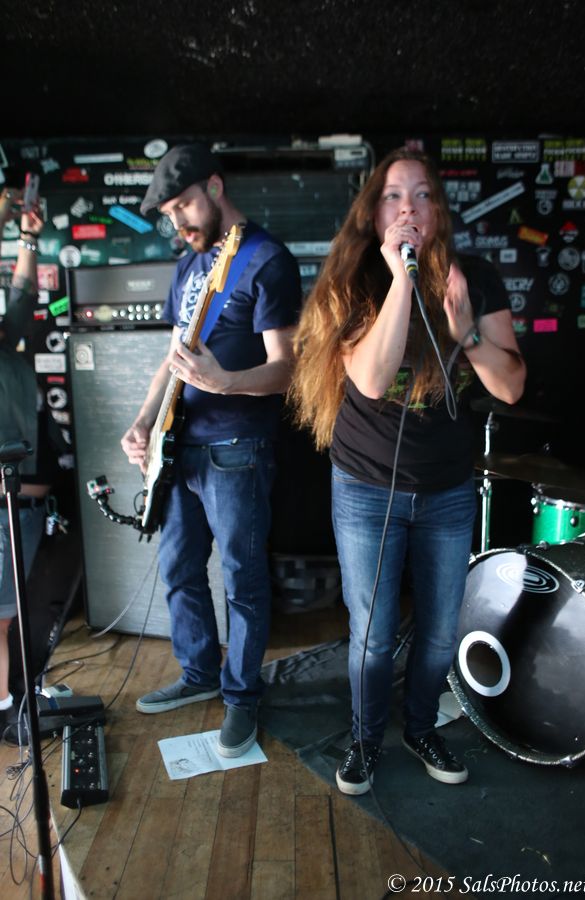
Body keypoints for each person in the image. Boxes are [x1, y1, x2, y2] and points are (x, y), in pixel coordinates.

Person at [289, 147, 526, 794]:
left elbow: (510, 387)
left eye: (422, 195)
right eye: (394, 196)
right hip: (366, 487)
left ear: (439, 211)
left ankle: (421, 728)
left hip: (447, 489)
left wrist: (466, 331)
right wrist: (401, 278)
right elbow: (369, 380)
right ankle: (366, 741)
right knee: (370, 635)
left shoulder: (473, 278)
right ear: (373, 213)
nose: (409, 209)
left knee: (441, 634)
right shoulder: (354, 279)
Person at [121, 143, 302, 757]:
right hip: (180, 447)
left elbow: (287, 369)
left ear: (215, 187)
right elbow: (171, 360)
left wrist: (224, 382)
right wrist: (144, 421)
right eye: (168, 214)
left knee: (242, 581)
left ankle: (242, 696)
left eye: (184, 206)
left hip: (238, 449)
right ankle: (199, 673)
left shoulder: (267, 260)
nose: (179, 223)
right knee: (178, 569)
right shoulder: (188, 266)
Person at [0, 181, 49, 746]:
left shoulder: (7, 343)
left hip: (21, 502)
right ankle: (7, 709)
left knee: (10, 613)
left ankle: (13, 702)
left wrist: (26, 237)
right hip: (5, 505)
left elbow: (20, 298)